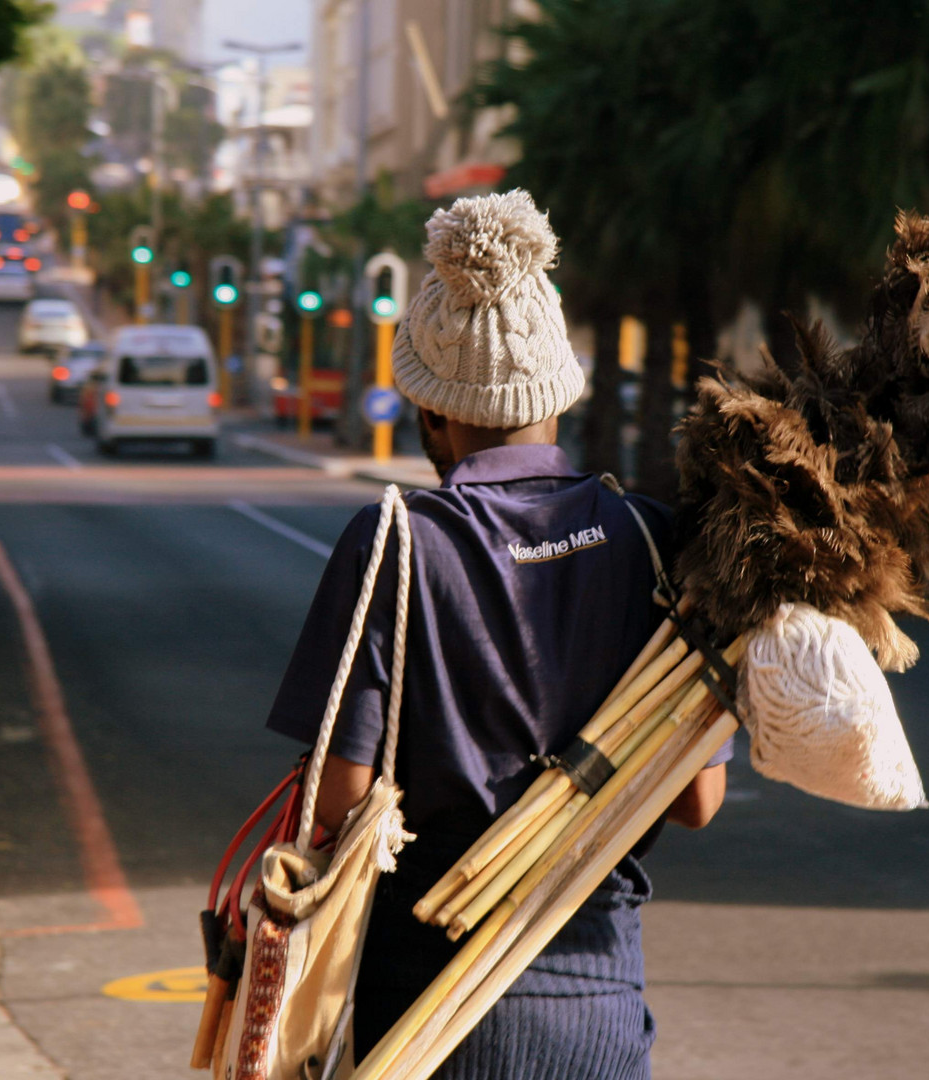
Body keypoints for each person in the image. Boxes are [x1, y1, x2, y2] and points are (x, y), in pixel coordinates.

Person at [266, 191, 730, 1078]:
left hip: (428, 1014)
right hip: (598, 999)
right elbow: (695, 801)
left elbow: (338, 800)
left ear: (429, 412)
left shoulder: (394, 543)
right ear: (559, 392)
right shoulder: (650, 540)